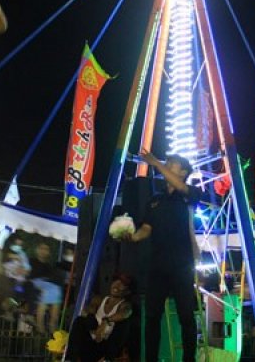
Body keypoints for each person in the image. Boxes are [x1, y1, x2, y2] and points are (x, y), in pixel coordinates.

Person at [124, 150, 199, 362]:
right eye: (167, 163)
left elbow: (178, 184)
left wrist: (156, 163)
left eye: (173, 164)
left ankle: (189, 359)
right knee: (152, 316)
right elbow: (146, 228)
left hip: (182, 265)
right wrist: (133, 236)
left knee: (186, 316)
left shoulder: (189, 193)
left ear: (183, 172)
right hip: (157, 265)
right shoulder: (154, 200)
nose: (167, 164)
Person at [65, 273, 134, 362]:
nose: (117, 285)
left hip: (105, 346)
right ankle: (70, 358)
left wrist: (106, 321)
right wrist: (91, 318)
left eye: (122, 285)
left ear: (127, 291)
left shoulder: (125, 305)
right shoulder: (99, 299)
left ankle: (108, 359)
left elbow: (126, 313)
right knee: (80, 321)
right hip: (90, 342)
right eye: (116, 282)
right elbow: (89, 310)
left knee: (123, 324)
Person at [28, 241, 62, 335]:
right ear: (37, 250)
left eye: (46, 249)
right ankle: (41, 324)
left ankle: (52, 323)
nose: (43, 251)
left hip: (47, 285)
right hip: (34, 283)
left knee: (57, 292)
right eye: (41, 248)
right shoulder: (32, 261)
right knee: (47, 292)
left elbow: (52, 278)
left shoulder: (49, 266)